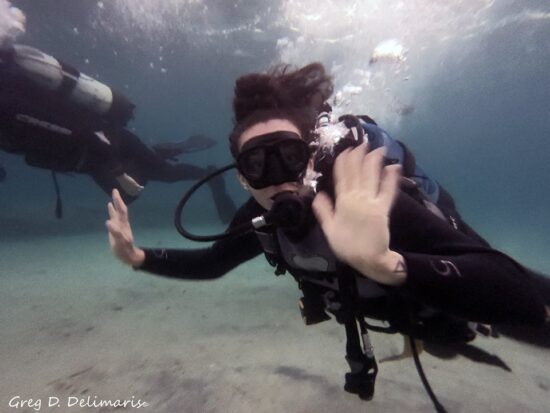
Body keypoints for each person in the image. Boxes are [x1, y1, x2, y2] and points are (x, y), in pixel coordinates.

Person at [106, 63, 549, 402]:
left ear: (312, 158)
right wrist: (137, 257)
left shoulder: (367, 201)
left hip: (453, 297)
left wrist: (389, 263)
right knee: (444, 343)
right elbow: (212, 263)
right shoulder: (259, 218)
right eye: (257, 164)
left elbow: (517, 291)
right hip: (410, 316)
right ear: (241, 178)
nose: (277, 178)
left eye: (289, 156)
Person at [0, 43, 236, 222]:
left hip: (109, 142)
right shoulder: (9, 109)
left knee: (164, 174)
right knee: (138, 187)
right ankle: (158, 154)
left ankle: (209, 175)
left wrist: (118, 171)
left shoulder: (10, 108)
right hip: (90, 158)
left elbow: (80, 130)